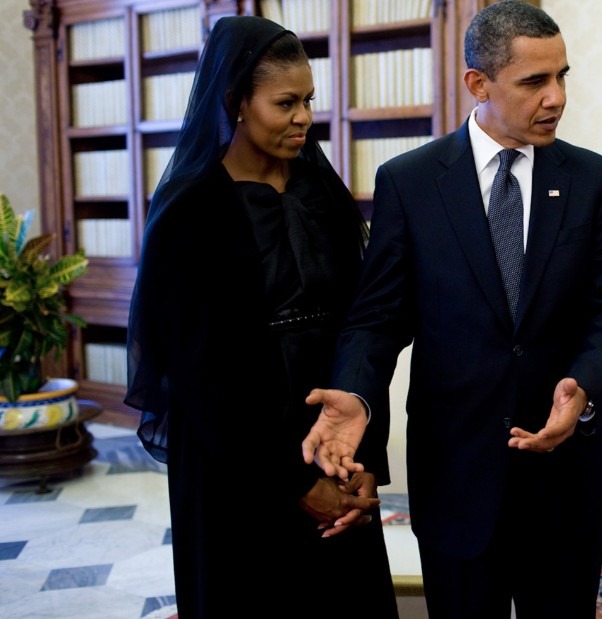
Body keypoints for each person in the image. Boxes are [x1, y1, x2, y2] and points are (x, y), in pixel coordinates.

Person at [300, 2, 602, 617]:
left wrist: (585, 390)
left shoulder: (593, 179)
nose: (557, 98)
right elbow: (377, 319)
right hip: (455, 475)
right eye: (535, 81)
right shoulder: (411, 181)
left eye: (563, 76)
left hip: (562, 477)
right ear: (478, 84)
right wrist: (357, 393)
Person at [125, 16, 398, 618]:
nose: (304, 117)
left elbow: (362, 326)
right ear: (236, 103)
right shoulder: (189, 213)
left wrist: (361, 462)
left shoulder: (321, 193)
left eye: (308, 101)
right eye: (285, 103)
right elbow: (201, 376)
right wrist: (296, 486)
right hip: (237, 460)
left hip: (332, 439)